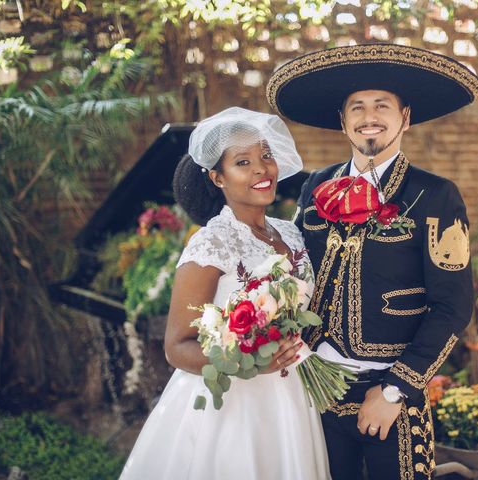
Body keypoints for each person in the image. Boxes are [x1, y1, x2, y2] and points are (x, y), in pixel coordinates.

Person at [266, 44, 478, 479]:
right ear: (342, 120)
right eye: (357, 107)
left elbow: (452, 307)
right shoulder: (315, 185)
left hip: (391, 396)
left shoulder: (436, 195)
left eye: (382, 105)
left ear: (404, 117)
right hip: (315, 389)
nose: (370, 115)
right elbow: (293, 273)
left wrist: (395, 389)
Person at [120, 107, 330, 480]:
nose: (261, 169)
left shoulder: (291, 233)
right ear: (217, 177)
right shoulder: (211, 243)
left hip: (291, 395)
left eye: (266, 156)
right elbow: (177, 346)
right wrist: (252, 363)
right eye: (243, 162)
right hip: (232, 403)